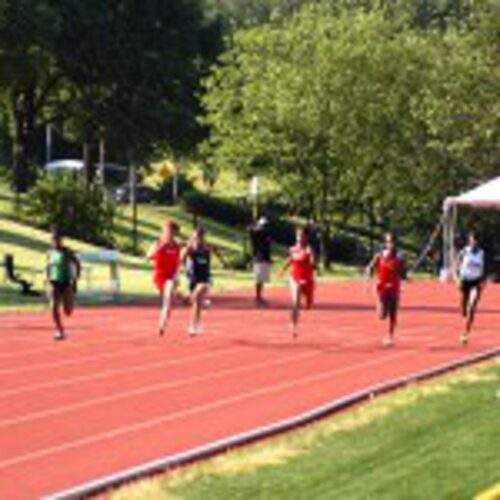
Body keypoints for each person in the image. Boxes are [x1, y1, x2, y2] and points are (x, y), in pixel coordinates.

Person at [182, 227, 227, 336]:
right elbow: (181, 258)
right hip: (193, 279)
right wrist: (184, 266)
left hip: (206, 278)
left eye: (201, 238)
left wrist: (223, 262)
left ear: (203, 238)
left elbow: (216, 251)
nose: (199, 240)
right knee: (196, 303)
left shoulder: (207, 248)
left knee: (197, 295)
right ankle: (196, 322)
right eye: (196, 238)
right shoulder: (190, 249)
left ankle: (193, 325)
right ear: (193, 238)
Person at [366, 233, 407, 347]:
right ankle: (380, 305)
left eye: (392, 242)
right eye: (388, 242)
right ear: (386, 243)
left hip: (394, 287)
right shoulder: (380, 255)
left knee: (393, 313)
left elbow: (403, 273)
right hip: (382, 287)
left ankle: (390, 336)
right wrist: (369, 274)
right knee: (382, 315)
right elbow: (370, 267)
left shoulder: (399, 257)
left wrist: (405, 275)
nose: (390, 244)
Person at [279, 226, 316, 337]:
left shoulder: (309, 249)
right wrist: (283, 269)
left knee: (308, 306)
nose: (299, 238)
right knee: (295, 302)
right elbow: (290, 259)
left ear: (306, 237)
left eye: (301, 235)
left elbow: (313, 264)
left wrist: (312, 261)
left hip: (307, 279)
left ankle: (307, 298)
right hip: (295, 278)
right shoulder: (293, 249)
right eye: (297, 235)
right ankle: (294, 327)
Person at [147, 220, 182, 336]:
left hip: (171, 277)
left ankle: (162, 326)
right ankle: (180, 297)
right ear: (164, 232)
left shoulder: (177, 246)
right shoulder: (157, 243)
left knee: (168, 300)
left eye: (173, 233)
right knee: (169, 298)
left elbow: (178, 263)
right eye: (168, 232)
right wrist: (160, 248)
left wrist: (177, 276)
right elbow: (148, 256)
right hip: (159, 277)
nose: (170, 235)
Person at [47, 230, 81, 341]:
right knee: (53, 307)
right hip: (54, 282)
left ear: (62, 240)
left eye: (58, 239)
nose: (56, 241)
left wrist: (75, 280)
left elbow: (77, 264)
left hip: (66, 282)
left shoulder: (67, 252)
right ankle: (59, 330)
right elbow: (49, 267)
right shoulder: (50, 252)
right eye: (54, 239)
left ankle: (70, 301)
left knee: (68, 311)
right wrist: (47, 279)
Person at [454, 233, 486, 345]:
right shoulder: (464, 252)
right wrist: (457, 278)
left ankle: (465, 333)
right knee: (463, 308)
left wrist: (483, 280)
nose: (474, 243)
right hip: (465, 280)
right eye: (472, 241)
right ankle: (464, 312)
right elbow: (456, 265)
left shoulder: (482, 253)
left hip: (476, 281)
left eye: (475, 241)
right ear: (469, 241)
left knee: (471, 308)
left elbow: (485, 267)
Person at [248, 217, 272, 306]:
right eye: (263, 225)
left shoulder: (266, 234)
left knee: (262, 279)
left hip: (264, 258)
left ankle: (259, 296)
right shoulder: (256, 234)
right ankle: (257, 297)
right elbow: (249, 229)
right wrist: (255, 225)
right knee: (259, 278)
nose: (265, 227)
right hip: (259, 258)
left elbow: (268, 247)